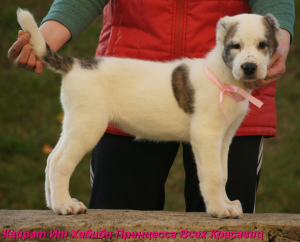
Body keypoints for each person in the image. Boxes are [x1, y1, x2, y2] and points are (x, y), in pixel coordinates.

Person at [8, 0, 294, 213]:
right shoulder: (210, 81)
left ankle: (218, 201)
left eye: (261, 46)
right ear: (221, 38)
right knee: (115, 210)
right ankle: (59, 195)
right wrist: (44, 37)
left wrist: (280, 45)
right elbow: (207, 136)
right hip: (117, 79)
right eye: (237, 46)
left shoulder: (229, 90)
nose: (250, 57)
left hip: (139, 77)